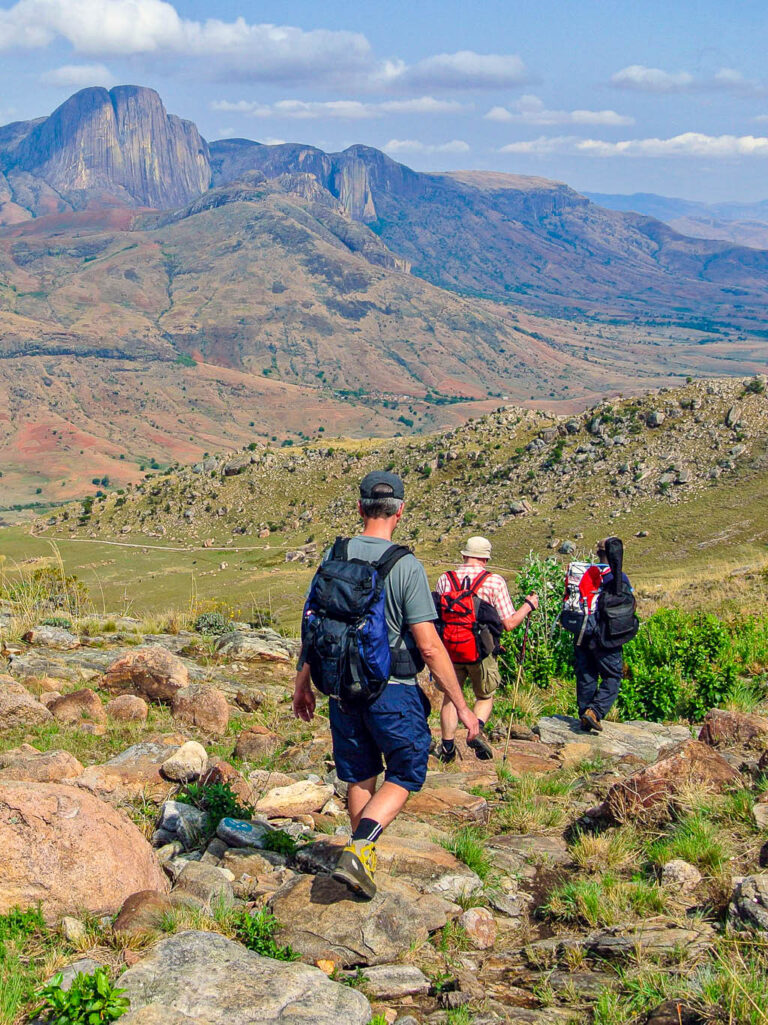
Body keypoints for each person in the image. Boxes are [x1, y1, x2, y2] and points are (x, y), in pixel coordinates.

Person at [292, 470, 480, 900]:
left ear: (359, 508)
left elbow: (312, 624)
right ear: (400, 511)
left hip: (340, 688)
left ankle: (360, 864)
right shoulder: (405, 565)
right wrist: (461, 706)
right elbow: (429, 647)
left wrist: (302, 681)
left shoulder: (333, 553)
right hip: (392, 689)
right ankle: (360, 848)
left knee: (359, 774)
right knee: (407, 770)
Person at [434, 536, 538, 763]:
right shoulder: (494, 582)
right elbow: (508, 623)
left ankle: (448, 748)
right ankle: (475, 730)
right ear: (486, 558)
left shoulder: (445, 579)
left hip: (449, 649)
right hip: (481, 651)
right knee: (485, 695)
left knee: (451, 696)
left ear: (464, 555)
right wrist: (529, 605)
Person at [576, 537, 634, 733]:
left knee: (586, 674)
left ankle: (584, 715)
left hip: (583, 632)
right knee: (612, 675)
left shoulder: (585, 574)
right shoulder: (619, 577)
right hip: (607, 635)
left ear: (597, 553)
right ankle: (594, 712)